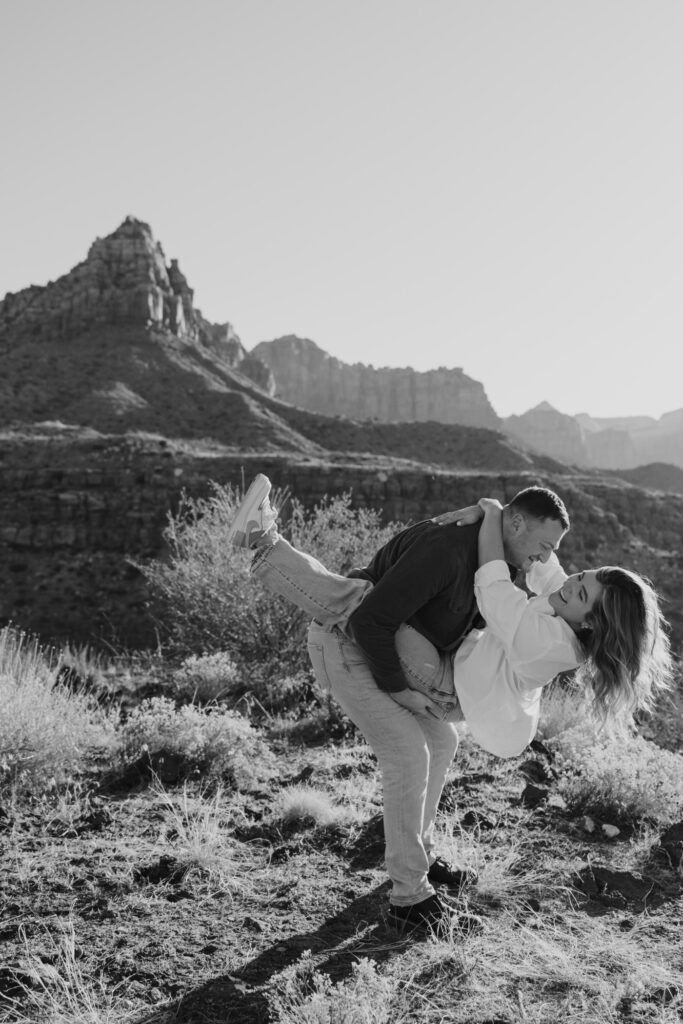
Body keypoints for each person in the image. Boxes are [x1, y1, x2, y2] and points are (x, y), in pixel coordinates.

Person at [227, 476, 672, 933]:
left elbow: (494, 584)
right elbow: (550, 570)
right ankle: (418, 859)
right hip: (440, 674)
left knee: (361, 605)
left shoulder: (548, 640)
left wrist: (491, 511)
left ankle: (409, 896)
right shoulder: (566, 607)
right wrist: (494, 515)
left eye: (581, 590)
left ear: (593, 624)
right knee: (438, 742)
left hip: (446, 686)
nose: (566, 575)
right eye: (583, 575)